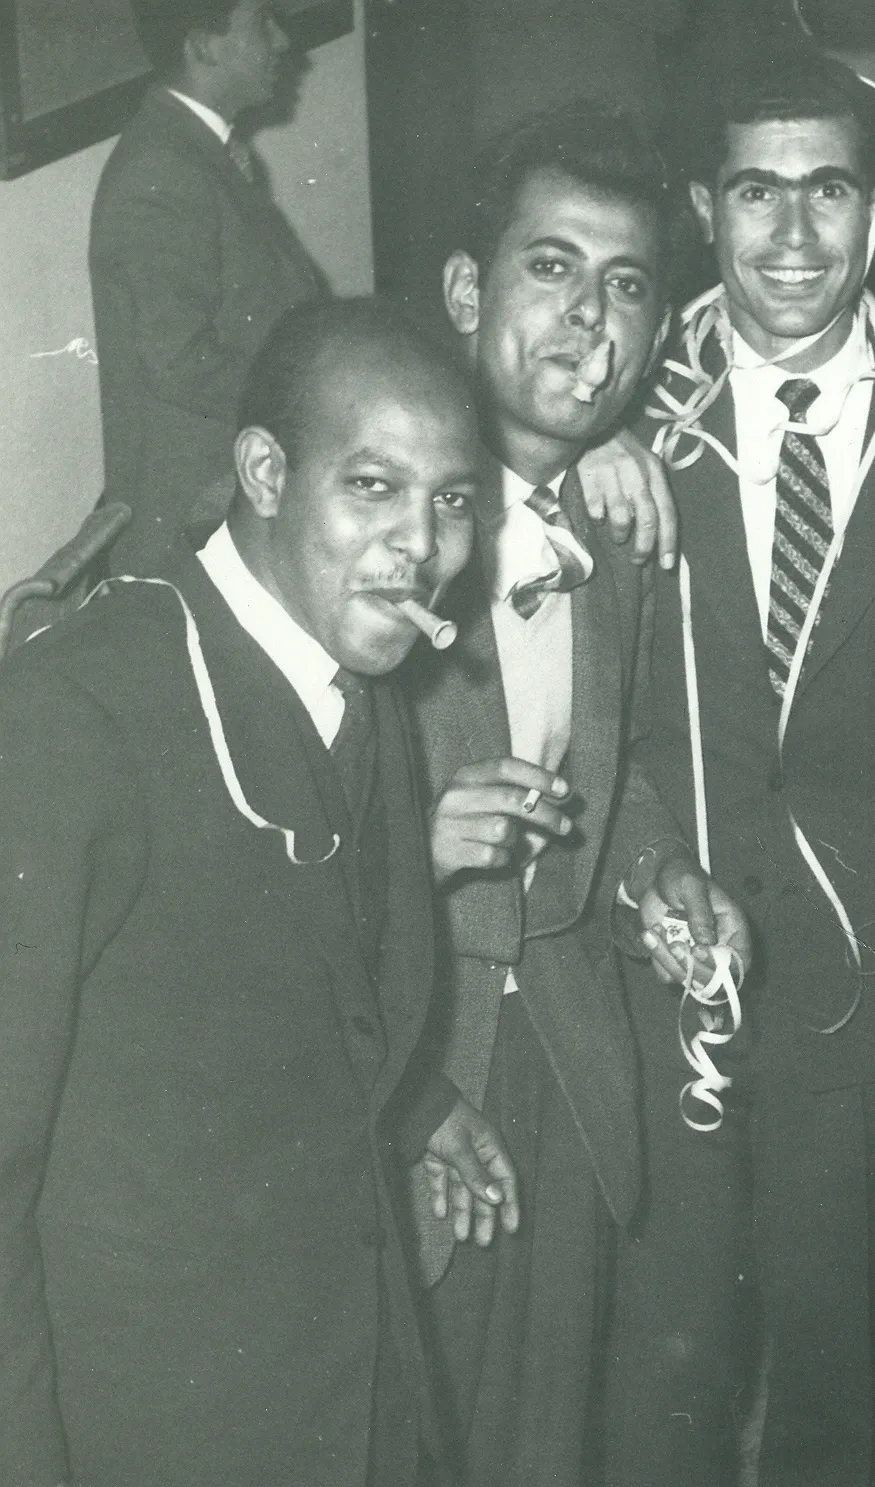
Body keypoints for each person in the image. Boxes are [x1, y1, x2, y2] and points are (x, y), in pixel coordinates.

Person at [0, 297, 514, 1485]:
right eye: (375, 487)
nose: (421, 548)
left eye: (452, 503)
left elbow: (274, 987)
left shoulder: (354, 675)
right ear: (267, 471)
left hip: (353, 1401)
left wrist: (413, 1095)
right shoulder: (69, 717)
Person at [633, 51, 875, 1486]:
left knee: (839, 1372)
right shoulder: (620, 412)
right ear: (703, 207)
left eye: (826, 189)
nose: (791, 234)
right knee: (661, 1372)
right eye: (755, 191)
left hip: (861, 985)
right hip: (663, 965)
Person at [400, 102, 753, 1487]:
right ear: (466, 292)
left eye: (624, 287)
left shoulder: (614, 521)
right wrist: (408, 1090)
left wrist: (663, 870)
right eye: (549, 268)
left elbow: (620, 760)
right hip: (404, 1073)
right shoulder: (370, 513)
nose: (585, 321)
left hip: (562, 1056)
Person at [90, 0, 324, 575]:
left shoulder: (205, 149)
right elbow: (177, 361)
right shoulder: (161, 170)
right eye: (262, 21)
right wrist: (314, 401)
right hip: (202, 513)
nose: (282, 40)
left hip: (246, 477)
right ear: (203, 45)